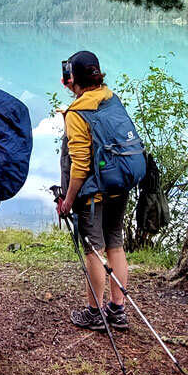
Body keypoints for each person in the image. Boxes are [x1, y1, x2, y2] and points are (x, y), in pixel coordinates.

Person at [56, 51, 131, 333]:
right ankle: (118, 309)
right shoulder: (110, 97)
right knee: (115, 244)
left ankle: (95, 312)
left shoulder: (77, 113)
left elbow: (79, 165)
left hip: (92, 194)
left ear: (73, 78)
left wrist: (69, 200)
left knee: (94, 252)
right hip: (119, 185)